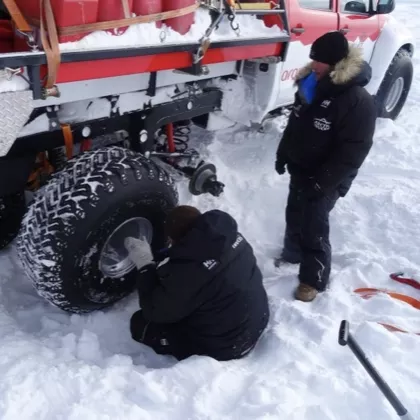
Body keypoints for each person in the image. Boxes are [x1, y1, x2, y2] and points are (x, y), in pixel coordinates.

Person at [274, 31, 376, 302]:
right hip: (302, 166)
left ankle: (313, 279)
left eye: (319, 61)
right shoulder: (309, 83)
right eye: (313, 60)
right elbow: (295, 124)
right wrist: (283, 154)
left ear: (335, 63)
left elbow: (354, 150)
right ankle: (291, 255)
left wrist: (324, 180)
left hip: (328, 175)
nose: (314, 65)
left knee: (314, 223)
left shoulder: (357, 101)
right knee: (294, 211)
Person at [124, 205, 269, 361]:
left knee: (140, 325)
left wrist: (145, 266)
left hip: (228, 346)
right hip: (257, 319)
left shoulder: (188, 275)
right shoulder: (232, 237)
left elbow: (154, 311)